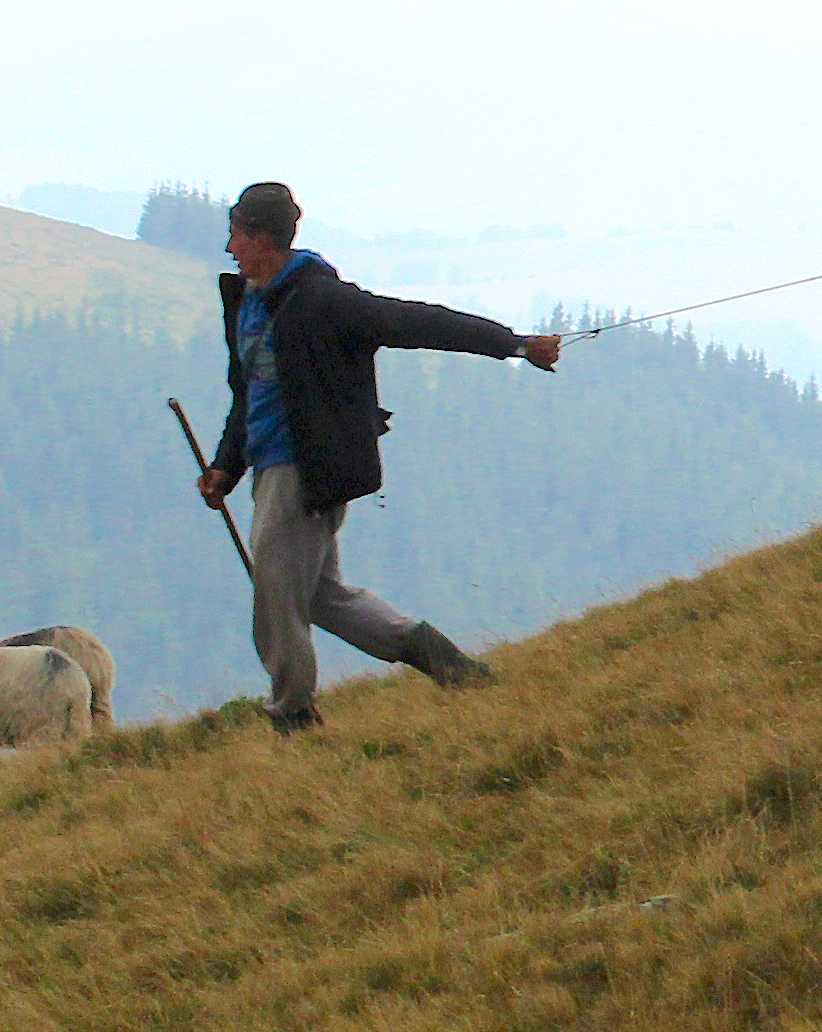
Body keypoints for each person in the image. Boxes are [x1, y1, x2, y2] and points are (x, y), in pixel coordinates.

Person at [195, 181, 565, 729]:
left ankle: (292, 715)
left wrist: (512, 345)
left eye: (236, 236)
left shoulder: (323, 301)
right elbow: (247, 394)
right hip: (272, 466)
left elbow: (417, 322)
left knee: (276, 593)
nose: (230, 249)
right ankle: (441, 659)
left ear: (262, 239)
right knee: (321, 597)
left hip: (305, 469)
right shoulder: (250, 304)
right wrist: (227, 466)